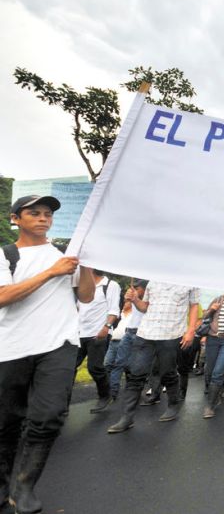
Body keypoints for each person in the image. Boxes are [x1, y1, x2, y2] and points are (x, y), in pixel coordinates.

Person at [0, 195, 95, 513]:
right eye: (34, 213)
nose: (43, 218)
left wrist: (86, 264)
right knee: (7, 421)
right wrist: (51, 273)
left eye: (48, 214)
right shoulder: (6, 254)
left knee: (50, 415)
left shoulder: (64, 255)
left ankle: (24, 486)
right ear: (16, 218)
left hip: (59, 344)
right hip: (12, 347)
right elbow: (3, 297)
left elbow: (86, 294)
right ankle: (3, 486)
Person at [107, 281, 199, 433]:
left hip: (171, 334)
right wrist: (135, 299)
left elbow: (194, 305)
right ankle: (127, 418)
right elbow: (145, 307)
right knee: (136, 373)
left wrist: (191, 330)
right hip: (145, 333)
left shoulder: (189, 280)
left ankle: (173, 405)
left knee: (167, 373)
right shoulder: (153, 279)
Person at [76, 269, 121, 413]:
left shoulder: (110, 285)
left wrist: (106, 327)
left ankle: (105, 395)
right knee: (69, 367)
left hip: (98, 333)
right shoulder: (80, 284)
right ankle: (62, 402)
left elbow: (114, 309)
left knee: (94, 367)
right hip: (78, 333)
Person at [103, 286, 146, 407]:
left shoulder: (136, 310)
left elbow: (139, 303)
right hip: (114, 341)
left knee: (128, 367)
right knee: (109, 365)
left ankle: (130, 393)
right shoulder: (122, 313)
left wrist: (134, 298)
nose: (126, 303)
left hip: (130, 339)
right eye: (125, 302)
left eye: (128, 302)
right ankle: (111, 392)